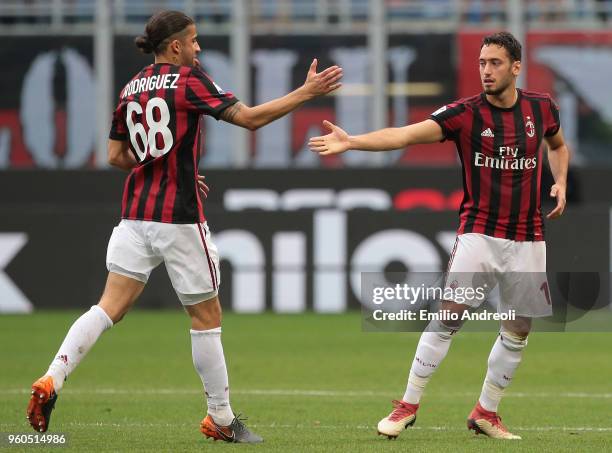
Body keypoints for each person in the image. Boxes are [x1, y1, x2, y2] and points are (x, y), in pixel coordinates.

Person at [26, 10, 342, 444]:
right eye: (193, 41)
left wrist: (161, 165)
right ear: (174, 46)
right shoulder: (189, 80)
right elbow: (248, 119)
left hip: (134, 217)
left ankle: (51, 378)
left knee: (107, 307)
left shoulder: (131, 87)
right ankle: (221, 417)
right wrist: (305, 93)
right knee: (206, 316)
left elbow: (116, 157)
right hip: (178, 219)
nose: (198, 48)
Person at [309, 31, 568, 440]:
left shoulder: (542, 108)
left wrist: (561, 181)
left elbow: (558, 145)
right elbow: (406, 134)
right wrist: (353, 142)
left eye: (495, 63)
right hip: (479, 233)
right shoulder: (466, 114)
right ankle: (406, 406)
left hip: (529, 237)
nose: (486, 70)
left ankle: (486, 412)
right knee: (448, 317)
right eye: (482, 63)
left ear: (516, 67)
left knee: (519, 329)